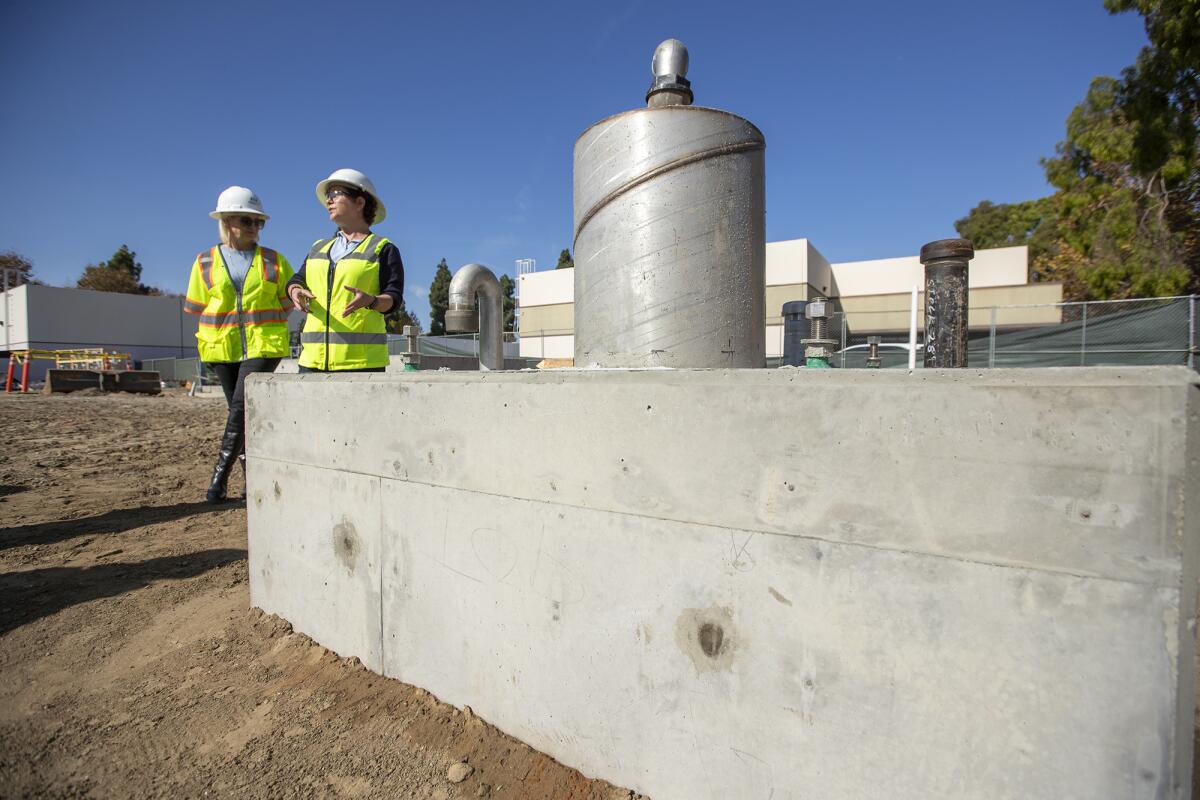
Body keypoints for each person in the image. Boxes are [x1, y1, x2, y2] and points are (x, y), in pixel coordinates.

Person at [184, 186, 293, 503]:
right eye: (247, 221)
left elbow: (286, 304)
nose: (255, 228)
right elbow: (197, 306)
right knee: (242, 416)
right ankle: (250, 481)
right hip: (221, 348)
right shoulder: (204, 261)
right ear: (227, 221)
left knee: (239, 410)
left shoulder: (274, 260)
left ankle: (218, 479)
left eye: (259, 222)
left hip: (263, 346)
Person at [286, 169, 404, 373]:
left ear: (360, 202)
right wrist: (295, 291)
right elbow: (297, 280)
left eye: (334, 194)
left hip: (361, 364)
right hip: (311, 361)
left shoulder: (383, 249)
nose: (328, 201)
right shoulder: (318, 248)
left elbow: (393, 298)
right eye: (327, 197)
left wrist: (372, 301)